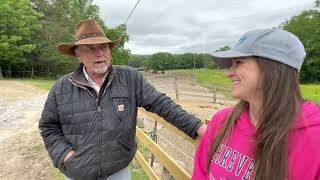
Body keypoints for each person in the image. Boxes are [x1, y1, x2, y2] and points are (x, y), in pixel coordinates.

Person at [39, 19, 207, 180]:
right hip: (76, 174)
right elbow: (48, 127)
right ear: (78, 53)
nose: (99, 54)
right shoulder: (62, 87)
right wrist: (65, 155)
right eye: (90, 48)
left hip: (118, 173)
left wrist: (198, 127)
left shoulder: (129, 78)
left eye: (104, 47)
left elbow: (160, 103)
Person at [192, 29, 320, 180]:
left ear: (273, 68)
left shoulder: (314, 139)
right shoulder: (222, 120)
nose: (229, 73)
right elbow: (201, 174)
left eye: (238, 63)